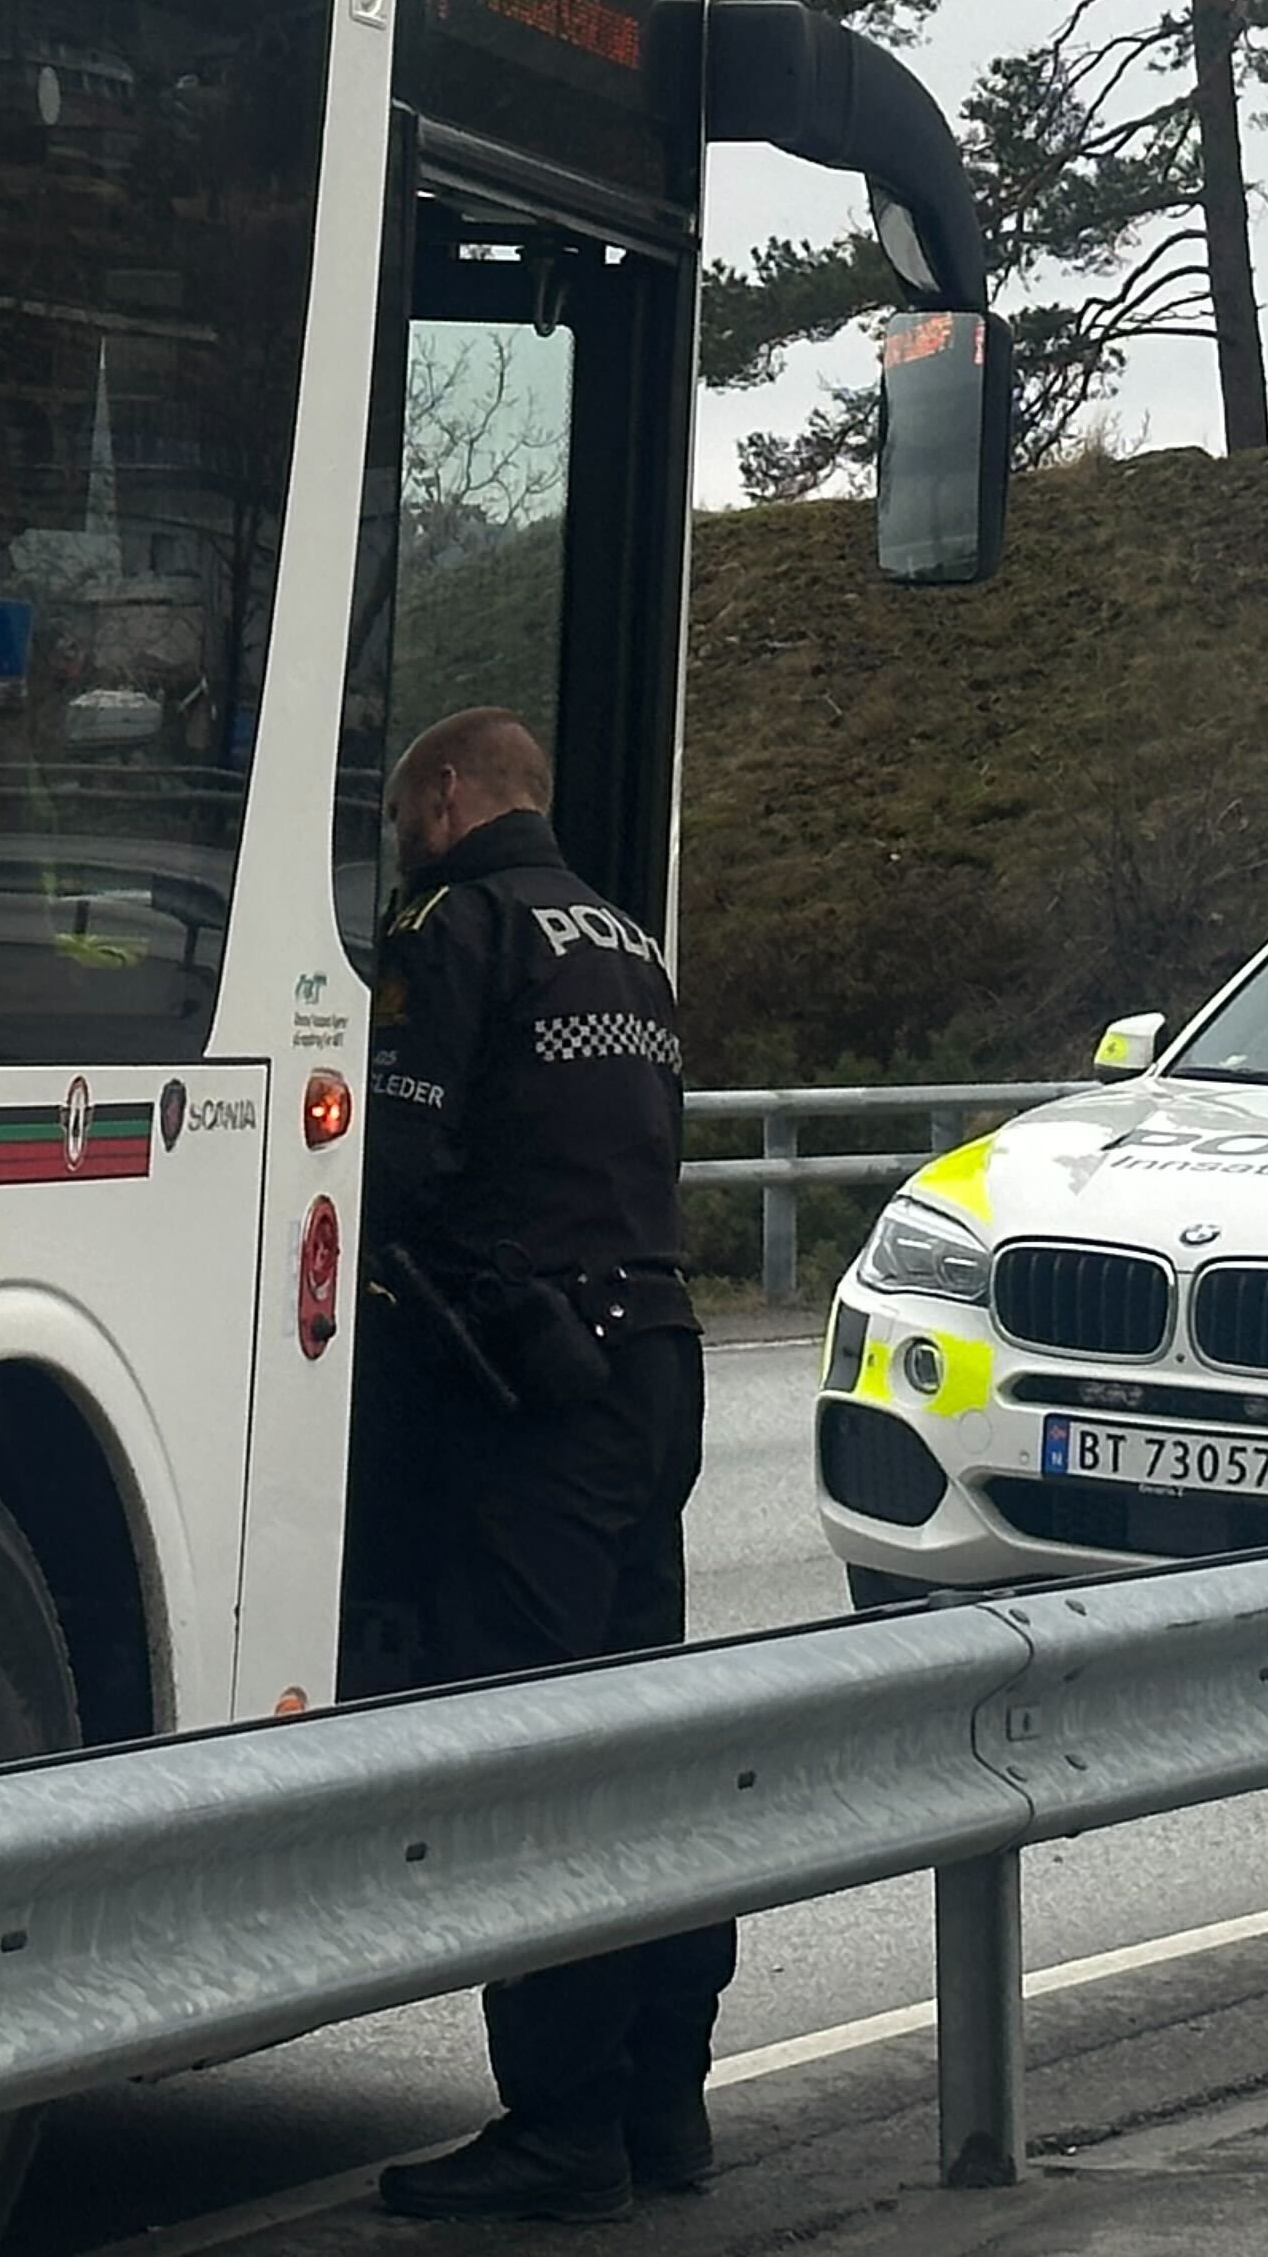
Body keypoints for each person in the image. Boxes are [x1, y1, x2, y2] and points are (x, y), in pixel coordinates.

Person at [359, 705, 732, 2223]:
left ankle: (563, 2126)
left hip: (537, 1392)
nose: (403, 844)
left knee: (536, 1756)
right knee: (638, 1744)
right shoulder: (624, 941)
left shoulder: (453, 929)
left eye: (404, 817)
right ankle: (662, 2102)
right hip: (655, 1366)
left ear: (448, 795)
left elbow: (394, 1166)